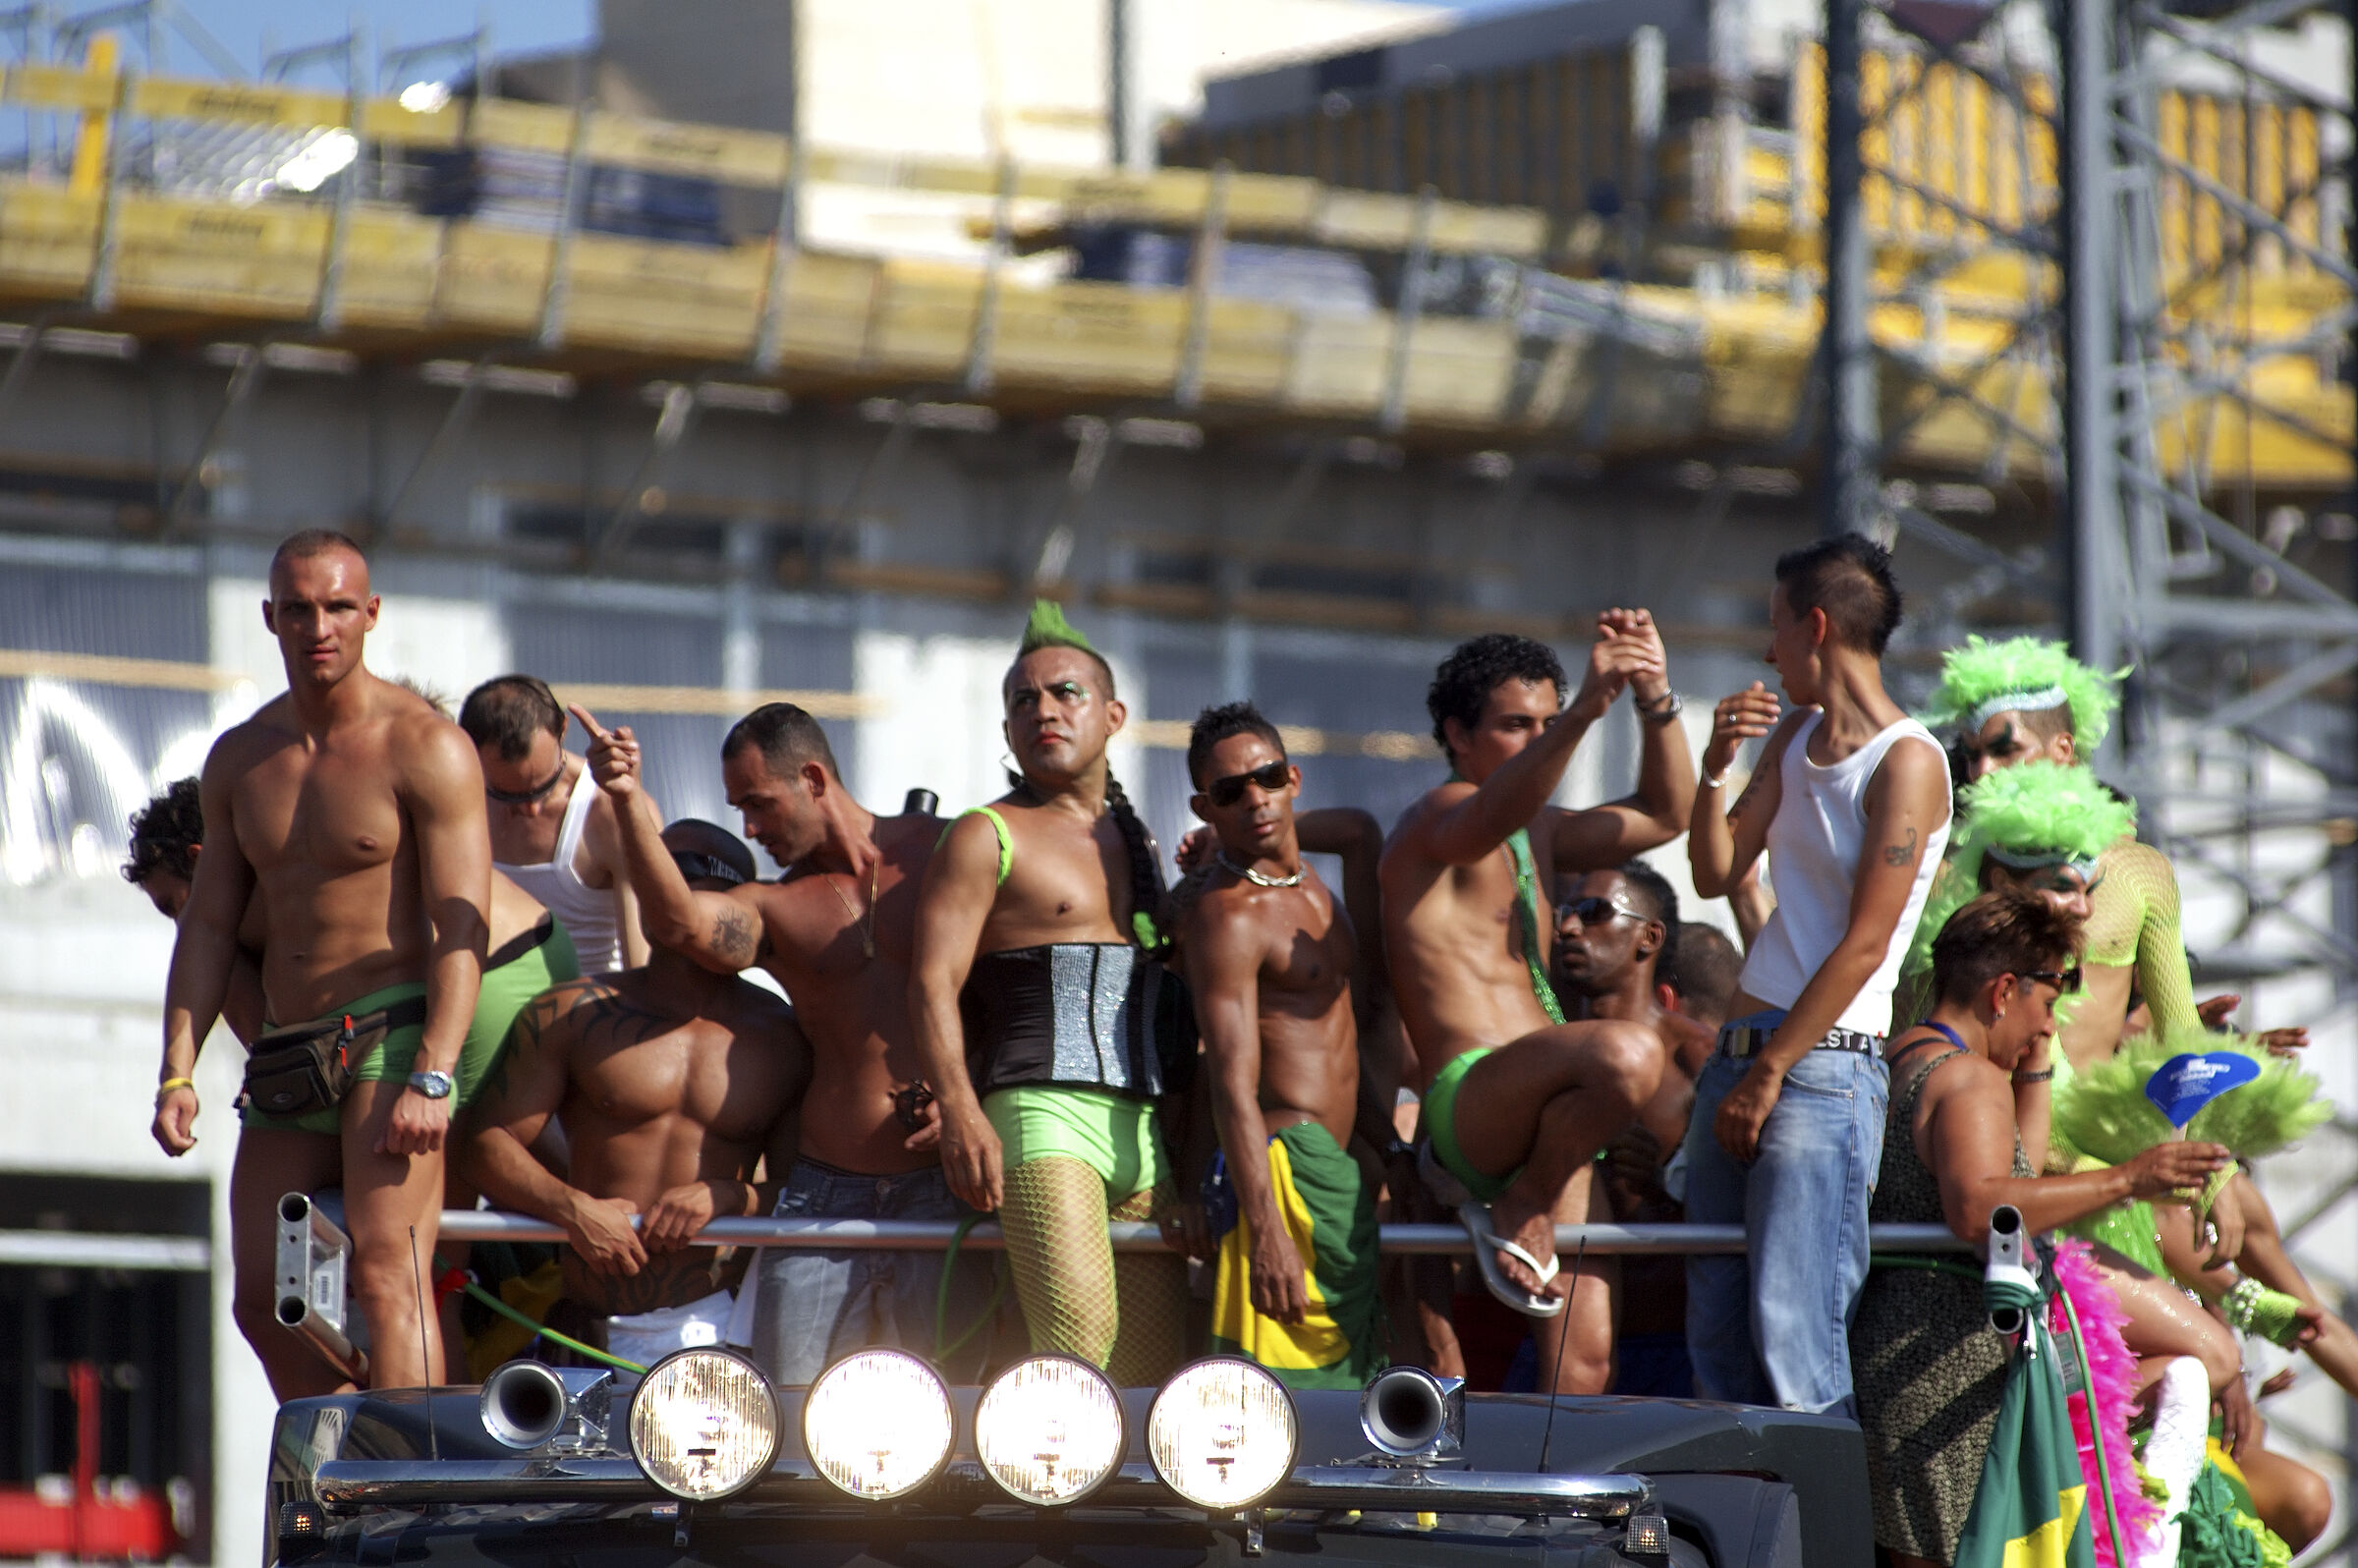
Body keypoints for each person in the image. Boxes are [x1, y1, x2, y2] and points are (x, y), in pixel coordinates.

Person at [572, 700, 1002, 1384]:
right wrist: (625, 800)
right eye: (739, 809)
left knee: (951, 1420)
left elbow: (1019, 987)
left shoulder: (948, 850)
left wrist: (969, 1102)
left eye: (760, 804)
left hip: (947, 1185)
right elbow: (680, 926)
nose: (749, 827)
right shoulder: (774, 908)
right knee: (795, 1418)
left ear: (811, 777)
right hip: (824, 1197)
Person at [152, 529, 490, 1396]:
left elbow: (464, 925)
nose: (320, 626)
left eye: (339, 606)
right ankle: (350, 1452)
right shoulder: (241, 757)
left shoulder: (426, 746)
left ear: (371, 613)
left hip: (393, 1026)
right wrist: (176, 1071)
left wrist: (437, 1074)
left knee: (387, 1276)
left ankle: (411, 1501)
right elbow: (208, 924)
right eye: (299, 609)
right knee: (266, 1301)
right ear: (271, 618)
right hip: (287, 1042)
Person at [1853, 891, 2233, 1568]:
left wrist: (2033, 1063)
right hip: (1942, 1363)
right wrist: (2129, 1179)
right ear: (2004, 990)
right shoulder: (1966, 1077)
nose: (2049, 1022)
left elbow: (2013, 1173)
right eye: (2049, 1002)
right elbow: (1980, 1208)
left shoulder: (1904, 1054)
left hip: (1906, 1345)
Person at [1378, 619, 1689, 1394]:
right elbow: (1488, 815)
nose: (1539, 739)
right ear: (1457, 733)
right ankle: (1522, 1199)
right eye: (1518, 725)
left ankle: (1554, 1518)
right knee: (1629, 1052)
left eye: (1547, 723)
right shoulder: (1438, 813)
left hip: (1558, 1112)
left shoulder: (1541, 831)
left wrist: (1652, 696)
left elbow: (1668, 811)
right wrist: (1587, 710)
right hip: (1473, 1104)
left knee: (1583, 1365)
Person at [1684, 533, 1952, 1414]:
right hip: (1745, 1055)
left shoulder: (1907, 761)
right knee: (1718, 1329)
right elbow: (1717, 872)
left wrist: (1769, 1072)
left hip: (1820, 1070)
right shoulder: (1796, 734)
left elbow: (1868, 944)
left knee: (1794, 1333)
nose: (1767, 652)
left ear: (1818, 626)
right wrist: (1713, 767)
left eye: (1776, 628)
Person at [913, 601, 1190, 1384]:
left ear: (1112, 714)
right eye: (1024, 701)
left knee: (1147, 1374)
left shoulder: (1139, 840)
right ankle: (1046, 1504)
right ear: (1006, 732)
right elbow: (931, 982)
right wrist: (960, 1110)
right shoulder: (983, 832)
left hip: (1142, 1130)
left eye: (1065, 693)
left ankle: (1122, 1514)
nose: (1045, 711)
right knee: (1077, 1342)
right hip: (1039, 1116)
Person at [460, 820, 810, 1367]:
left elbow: (804, 1192)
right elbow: (485, 1144)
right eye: (657, 880)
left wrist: (727, 1196)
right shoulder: (575, 1012)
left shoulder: (783, 1036)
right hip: (588, 1324)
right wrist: (572, 1209)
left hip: (720, 1322)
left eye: (687, 888)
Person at [1177, 701, 1389, 1388]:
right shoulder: (1227, 914)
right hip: (1282, 1180)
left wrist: (1396, 1152)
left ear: (1294, 776)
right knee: (1271, 1414)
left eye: (1266, 779)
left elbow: (1361, 828)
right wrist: (1265, 1229)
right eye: (1229, 794)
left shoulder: (1322, 880)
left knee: (1356, 1420)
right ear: (1203, 807)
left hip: (1341, 1179)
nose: (1254, 801)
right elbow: (1230, 1085)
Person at [1550, 859, 1712, 1398]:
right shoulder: (1540, 1054)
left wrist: (1665, 1181)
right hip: (1553, 1341)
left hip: (1672, 1347)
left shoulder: (1699, 1054)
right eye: (1565, 913)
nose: (1569, 927)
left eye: (1593, 913)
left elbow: (1757, 1203)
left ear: (1650, 936)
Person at [461, 675, 651, 976]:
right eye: (504, 795)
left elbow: (644, 971)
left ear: (562, 729)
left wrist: (631, 806)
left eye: (544, 787)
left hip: (592, 1012)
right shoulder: (456, 798)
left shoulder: (609, 810)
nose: (531, 809)